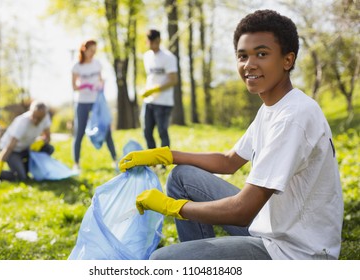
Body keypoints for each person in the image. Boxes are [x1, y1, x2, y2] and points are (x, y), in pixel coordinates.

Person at [119, 10, 344, 260]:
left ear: (287, 60)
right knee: (182, 177)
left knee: (161, 262)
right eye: (242, 56)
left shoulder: (293, 117)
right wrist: (165, 155)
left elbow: (242, 211)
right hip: (272, 226)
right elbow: (229, 161)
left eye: (261, 54)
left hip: (293, 252)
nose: (249, 64)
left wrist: (172, 207)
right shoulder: (274, 107)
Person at [0, 101, 54, 182]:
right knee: (21, 177)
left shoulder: (45, 119)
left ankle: (24, 170)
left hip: (25, 148)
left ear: (44, 115)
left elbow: (47, 138)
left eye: (39, 118)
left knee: (48, 148)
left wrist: (40, 142)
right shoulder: (22, 122)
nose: (36, 120)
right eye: (34, 116)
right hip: (12, 151)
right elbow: (10, 146)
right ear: (30, 111)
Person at [71, 39, 117, 172]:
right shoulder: (77, 66)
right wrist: (85, 85)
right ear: (84, 49)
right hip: (82, 102)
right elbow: (74, 86)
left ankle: (115, 159)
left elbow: (100, 79)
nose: (93, 53)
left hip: (97, 101)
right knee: (79, 132)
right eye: (91, 50)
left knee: (106, 128)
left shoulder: (97, 64)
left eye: (95, 51)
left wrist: (101, 84)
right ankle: (76, 164)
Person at [141, 29, 178, 150]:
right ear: (147, 42)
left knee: (162, 132)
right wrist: (147, 90)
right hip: (149, 101)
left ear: (160, 40)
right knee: (147, 132)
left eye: (156, 42)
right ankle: (152, 162)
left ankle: (164, 162)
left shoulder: (169, 57)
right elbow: (151, 77)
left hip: (164, 102)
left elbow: (173, 80)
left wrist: (155, 89)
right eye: (151, 42)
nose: (153, 45)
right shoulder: (146, 57)